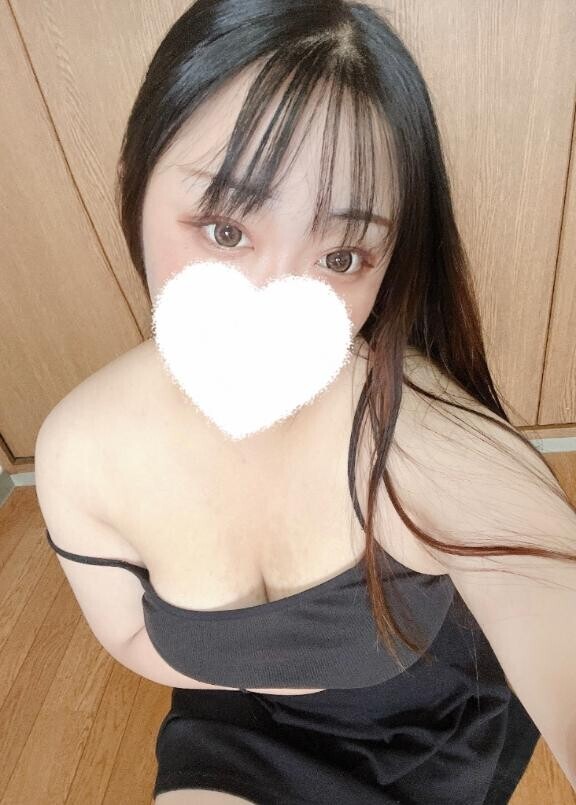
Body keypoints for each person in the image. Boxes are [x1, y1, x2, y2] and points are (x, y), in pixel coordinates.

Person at [46, 0, 563, 801]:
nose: (273, 301)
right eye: (225, 230)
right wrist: (260, 671)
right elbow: (126, 633)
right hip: (239, 735)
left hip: (426, 737)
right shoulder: (81, 450)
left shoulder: (427, 446)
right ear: (134, 183)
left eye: (342, 255)